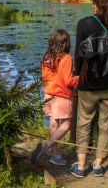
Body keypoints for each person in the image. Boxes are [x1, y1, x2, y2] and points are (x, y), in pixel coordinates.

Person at [69, 0, 108, 178]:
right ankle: (99, 164)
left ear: (93, 1)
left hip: (89, 85)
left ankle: (81, 165)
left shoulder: (84, 24)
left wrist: (77, 75)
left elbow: (79, 55)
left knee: (84, 122)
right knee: (106, 124)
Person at [31, 29, 79, 166]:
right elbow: (68, 81)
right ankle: (47, 146)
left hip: (48, 95)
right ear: (66, 44)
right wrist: (80, 78)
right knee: (67, 124)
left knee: (53, 123)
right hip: (61, 96)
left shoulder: (46, 57)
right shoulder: (67, 58)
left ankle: (56, 155)